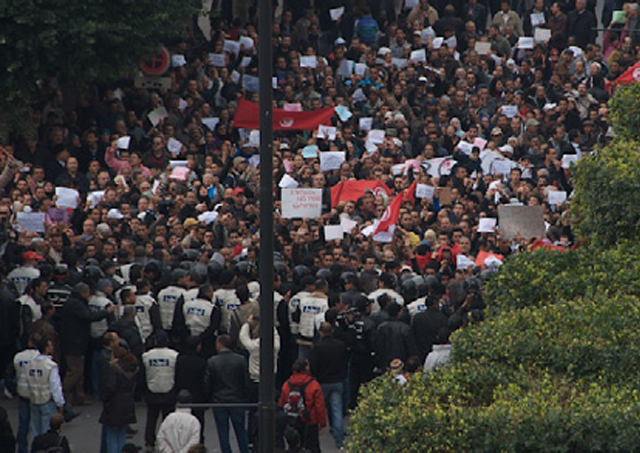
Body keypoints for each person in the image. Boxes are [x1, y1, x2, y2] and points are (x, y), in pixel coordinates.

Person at [60, 282, 116, 407]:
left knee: (79, 370)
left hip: (75, 341)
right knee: (75, 370)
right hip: (74, 342)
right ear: (82, 293)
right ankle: (59, 394)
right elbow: (88, 316)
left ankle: (79, 396)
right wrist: (106, 312)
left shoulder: (73, 302)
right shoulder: (76, 304)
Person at [203, 334, 250, 453]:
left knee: (222, 430)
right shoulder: (240, 360)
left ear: (220, 344)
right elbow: (245, 381)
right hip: (237, 400)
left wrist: (210, 398)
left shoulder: (212, 361)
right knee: (240, 430)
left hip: (219, 400)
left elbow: (207, 383)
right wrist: (244, 397)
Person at [309, 322, 347, 448]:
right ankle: (339, 439)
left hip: (322, 381)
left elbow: (313, 366)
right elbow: (345, 362)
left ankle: (315, 438)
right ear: (332, 331)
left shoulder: (317, 347)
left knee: (317, 409)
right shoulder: (341, 345)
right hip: (337, 380)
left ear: (320, 332)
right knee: (337, 409)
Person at [279, 359, 327, 453]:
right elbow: (319, 406)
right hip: (310, 421)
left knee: (293, 447)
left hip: (292, 420)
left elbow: (282, 403)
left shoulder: (287, 385)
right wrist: (322, 423)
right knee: (312, 448)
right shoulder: (313, 385)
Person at [141, 331, 179, 451]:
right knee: (168, 419)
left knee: (151, 418)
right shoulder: (174, 355)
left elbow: (142, 375)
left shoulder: (146, 356)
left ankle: (149, 443)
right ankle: (168, 442)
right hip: (169, 389)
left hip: (152, 389)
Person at [99, 347, 139, 453]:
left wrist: (104, 398)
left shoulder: (114, 369)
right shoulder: (132, 369)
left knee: (112, 435)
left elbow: (110, 387)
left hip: (114, 404)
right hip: (127, 403)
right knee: (122, 433)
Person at [25, 336, 65, 440]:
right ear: (46, 348)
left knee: (35, 431)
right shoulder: (50, 366)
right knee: (46, 433)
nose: (52, 347)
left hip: (34, 400)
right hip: (47, 401)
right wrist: (60, 404)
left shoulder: (30, 364)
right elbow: (55, 387)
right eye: (50, 345)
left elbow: (27, 382)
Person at [13, 333, 41, 453]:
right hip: (35, 394)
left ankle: (21, 449)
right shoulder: (40, 358)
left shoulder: (18, 357)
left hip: (22, 392)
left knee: (23, 424)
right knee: (36, 426)